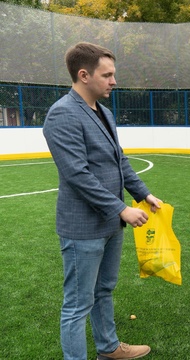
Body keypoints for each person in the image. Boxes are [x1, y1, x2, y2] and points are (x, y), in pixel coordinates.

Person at [42, 42, 161, 360]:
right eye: (107, 75)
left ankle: (108, 349)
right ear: (83, 75)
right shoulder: (61, 115)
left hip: (110, 224)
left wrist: (142, 193)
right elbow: (77, 175)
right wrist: (122, 209)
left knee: (104, 290)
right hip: (83, 228)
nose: (113, 81)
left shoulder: (104, 112)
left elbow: (118, 161)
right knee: (77, 305)